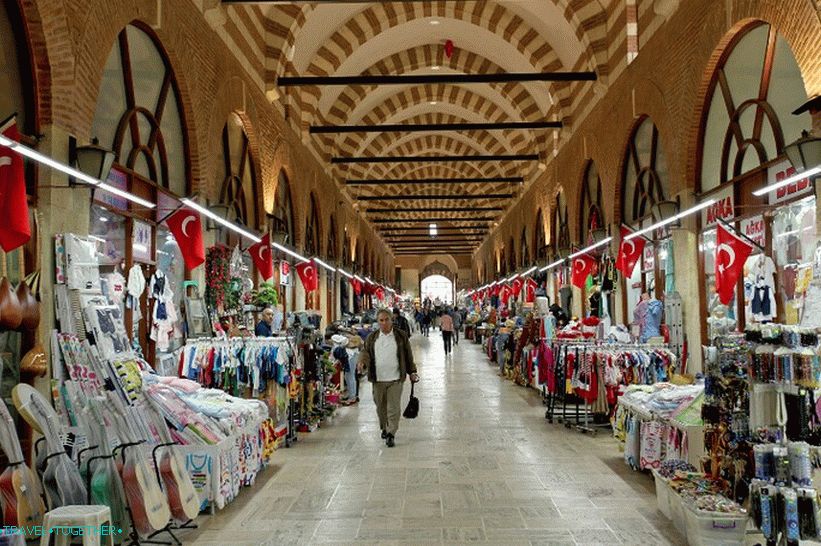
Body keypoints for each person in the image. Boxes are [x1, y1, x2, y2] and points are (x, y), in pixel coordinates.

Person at [358, 309, 419, 447]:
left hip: (396, 378)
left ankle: (391, 433)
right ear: (378, 322)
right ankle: (384, 427)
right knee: (381, 408)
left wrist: (412, 372)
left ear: (392, 320)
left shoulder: (401, 336)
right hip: (378, 379)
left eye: (386, 319)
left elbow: (408, 356)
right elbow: (365, 352)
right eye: (381, 320)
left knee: (393, 408)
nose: (384, 323)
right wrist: (362, 362)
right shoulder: (372, 337)